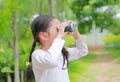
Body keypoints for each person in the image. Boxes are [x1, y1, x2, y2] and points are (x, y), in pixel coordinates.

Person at [26, 15, 88, 82]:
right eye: (58, 29)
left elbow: (83, 50)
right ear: (44, 36)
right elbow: (51, 60)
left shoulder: (61, 52)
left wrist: (76, 33)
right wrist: (60, 34)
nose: (62, 31)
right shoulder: (37, 55)